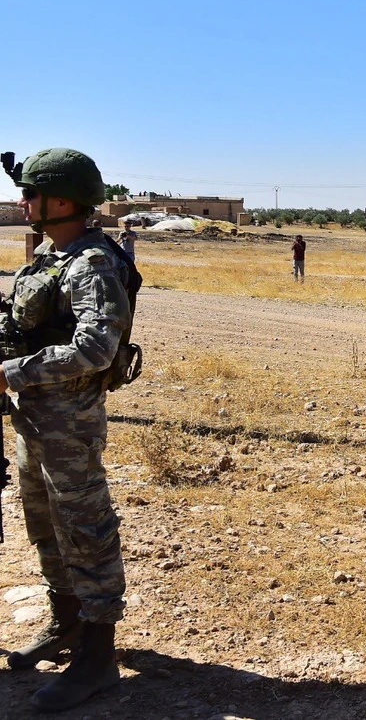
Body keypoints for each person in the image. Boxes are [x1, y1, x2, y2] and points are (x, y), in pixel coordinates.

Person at [1, 149, 133, 711]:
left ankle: (99, 658)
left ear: (62, 200)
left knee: (84, 529)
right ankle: (68, 624)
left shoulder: (93, 264)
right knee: (46, 526)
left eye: (31, 193)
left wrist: (9, 373)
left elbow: (96, 348)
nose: (22, 202)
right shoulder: (50, 260)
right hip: (35, 418)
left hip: (70, 424)